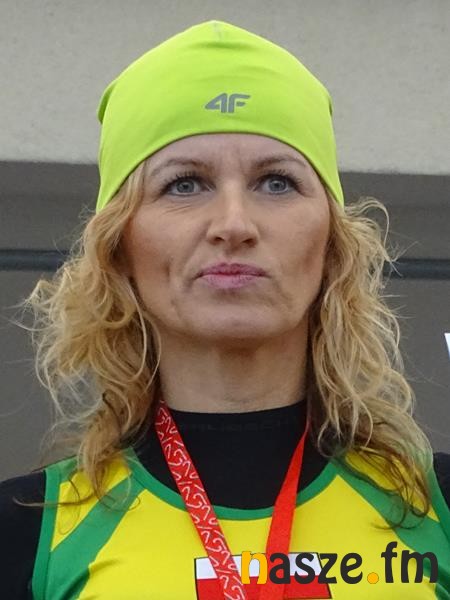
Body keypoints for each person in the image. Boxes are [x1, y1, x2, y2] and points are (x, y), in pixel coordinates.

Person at [0, 19, 449, 600]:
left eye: (277, 183)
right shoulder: (25, 536)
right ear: (120, 249)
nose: (234, 224)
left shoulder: (435, 509)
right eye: (184, 184)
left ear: (332, 245)